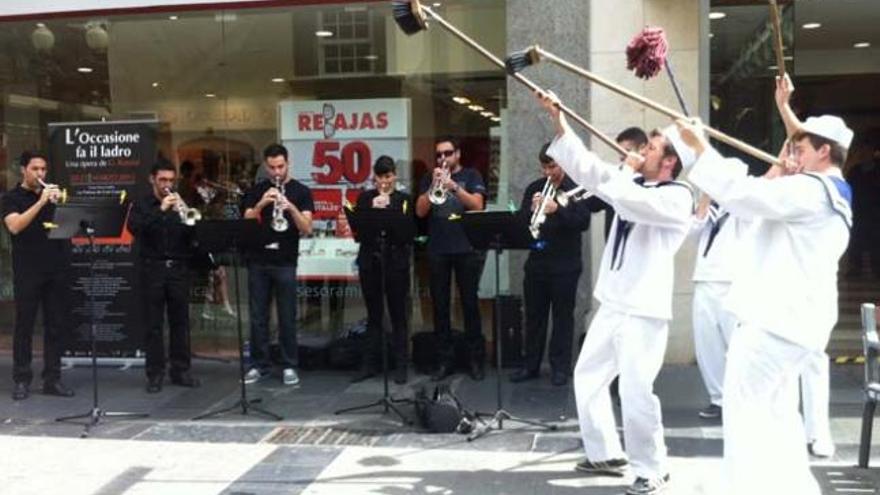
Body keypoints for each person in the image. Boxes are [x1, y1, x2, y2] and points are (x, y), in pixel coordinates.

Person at [677, 73, 853, 494]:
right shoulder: (835, 191)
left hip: (775, 324)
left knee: (746, 417)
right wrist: (785, 112)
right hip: (796, 323)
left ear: (823, 152)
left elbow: (742, 196)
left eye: (802, 148)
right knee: (777, 415)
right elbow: (781, 170)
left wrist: (701, 148)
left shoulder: (812, 190)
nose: (795, 154)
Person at [537, 90, 694, 495]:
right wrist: (560, 120)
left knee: (635, 390)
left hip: (644, 311)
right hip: (614, 304)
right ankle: (605, 452)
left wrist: (622, 169)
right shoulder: (635, 180)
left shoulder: (677, 197)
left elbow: (627, 201)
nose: (644, 151)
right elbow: (591, 171)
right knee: (588, 376)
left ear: (670, 162)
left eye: (653, 148)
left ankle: (652, 467)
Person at [509, 142, 591, 387]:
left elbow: (582, 221)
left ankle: (560, 368)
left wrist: (557, 210)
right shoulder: (535, 188)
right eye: (545, 167)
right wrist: (530, 210)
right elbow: (522, 223)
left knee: (563, 318)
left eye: (553, 166)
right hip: (537, 264)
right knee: (534, 317)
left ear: (562, 163)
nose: (548, 173)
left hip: (566, 265)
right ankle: (530, 365)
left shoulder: (576, 189)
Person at [2, 151, 75, 401]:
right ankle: (22, 379)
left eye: (43, 169)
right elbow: (15, 226)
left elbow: (70, 226)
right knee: (24, 327)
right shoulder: (11, 198)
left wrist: (60, 204)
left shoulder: (54, 197)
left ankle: (52, 379)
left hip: (55, 268)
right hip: (28, 270)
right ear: (23, 170)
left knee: (55, 326)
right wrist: (41, 202)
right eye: (35, 169)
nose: (40, 174)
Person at [240, 144, 313, 386]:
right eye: (271, 167)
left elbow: (307, 228)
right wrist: (261, 204)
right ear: (265, 166)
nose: (276, 172)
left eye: (280, 166)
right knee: (258, 317)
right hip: (259, 261)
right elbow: (246, 222)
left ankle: (289, 365)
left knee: (287, 316)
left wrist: (289, 206)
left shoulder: (301, 191)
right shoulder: (256, 191)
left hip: (285, 262)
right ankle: (259, 365)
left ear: (288, 163)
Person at [416, 136, 487, 382]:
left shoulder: (471, 175)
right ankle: (444, 360)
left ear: (457, 154)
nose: (443, 159)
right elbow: (420, 210)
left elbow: (478, 206)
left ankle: (475, 360)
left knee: (469, 305)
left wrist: (454, 187)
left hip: (466, 248)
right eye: (439, 155)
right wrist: (433, 184)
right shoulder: (429, 177)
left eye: (447, 153)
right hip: (439, 248)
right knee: (441, 307)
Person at [128, 161, 200, 393]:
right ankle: (155, 374)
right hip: (152, 269)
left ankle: (181, 370)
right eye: (163, 180)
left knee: (181, 323)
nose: (168, 185)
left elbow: (193, 235)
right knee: (154, 325)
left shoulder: (181, 203)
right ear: (152, 179)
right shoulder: (142, 204)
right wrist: (160, 210)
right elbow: (135, 228)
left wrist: (187, 218)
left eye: (171, 180)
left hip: (178, 269)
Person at [350, 155, 413, 385]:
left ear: (394, 176)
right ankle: (369, 364)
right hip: (371, 261)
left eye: (387, 177)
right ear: (374, 178)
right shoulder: (365, 198)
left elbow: (409, 232)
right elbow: (358, 229)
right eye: (379, 177)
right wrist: (371, 209)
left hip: (396, 262)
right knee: (373, 315)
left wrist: (390, 210)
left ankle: (401, 365)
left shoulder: (404, 200)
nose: (383, 182)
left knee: (398, 314)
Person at [689, 193, 742, 419]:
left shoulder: (744, 204)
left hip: (735, 280)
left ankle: (740, 399)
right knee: (707, 344)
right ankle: (718, 399)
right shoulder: (707, 206)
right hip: (704, 278)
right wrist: (704, 201)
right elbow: (690, 233)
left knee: (739, 346)